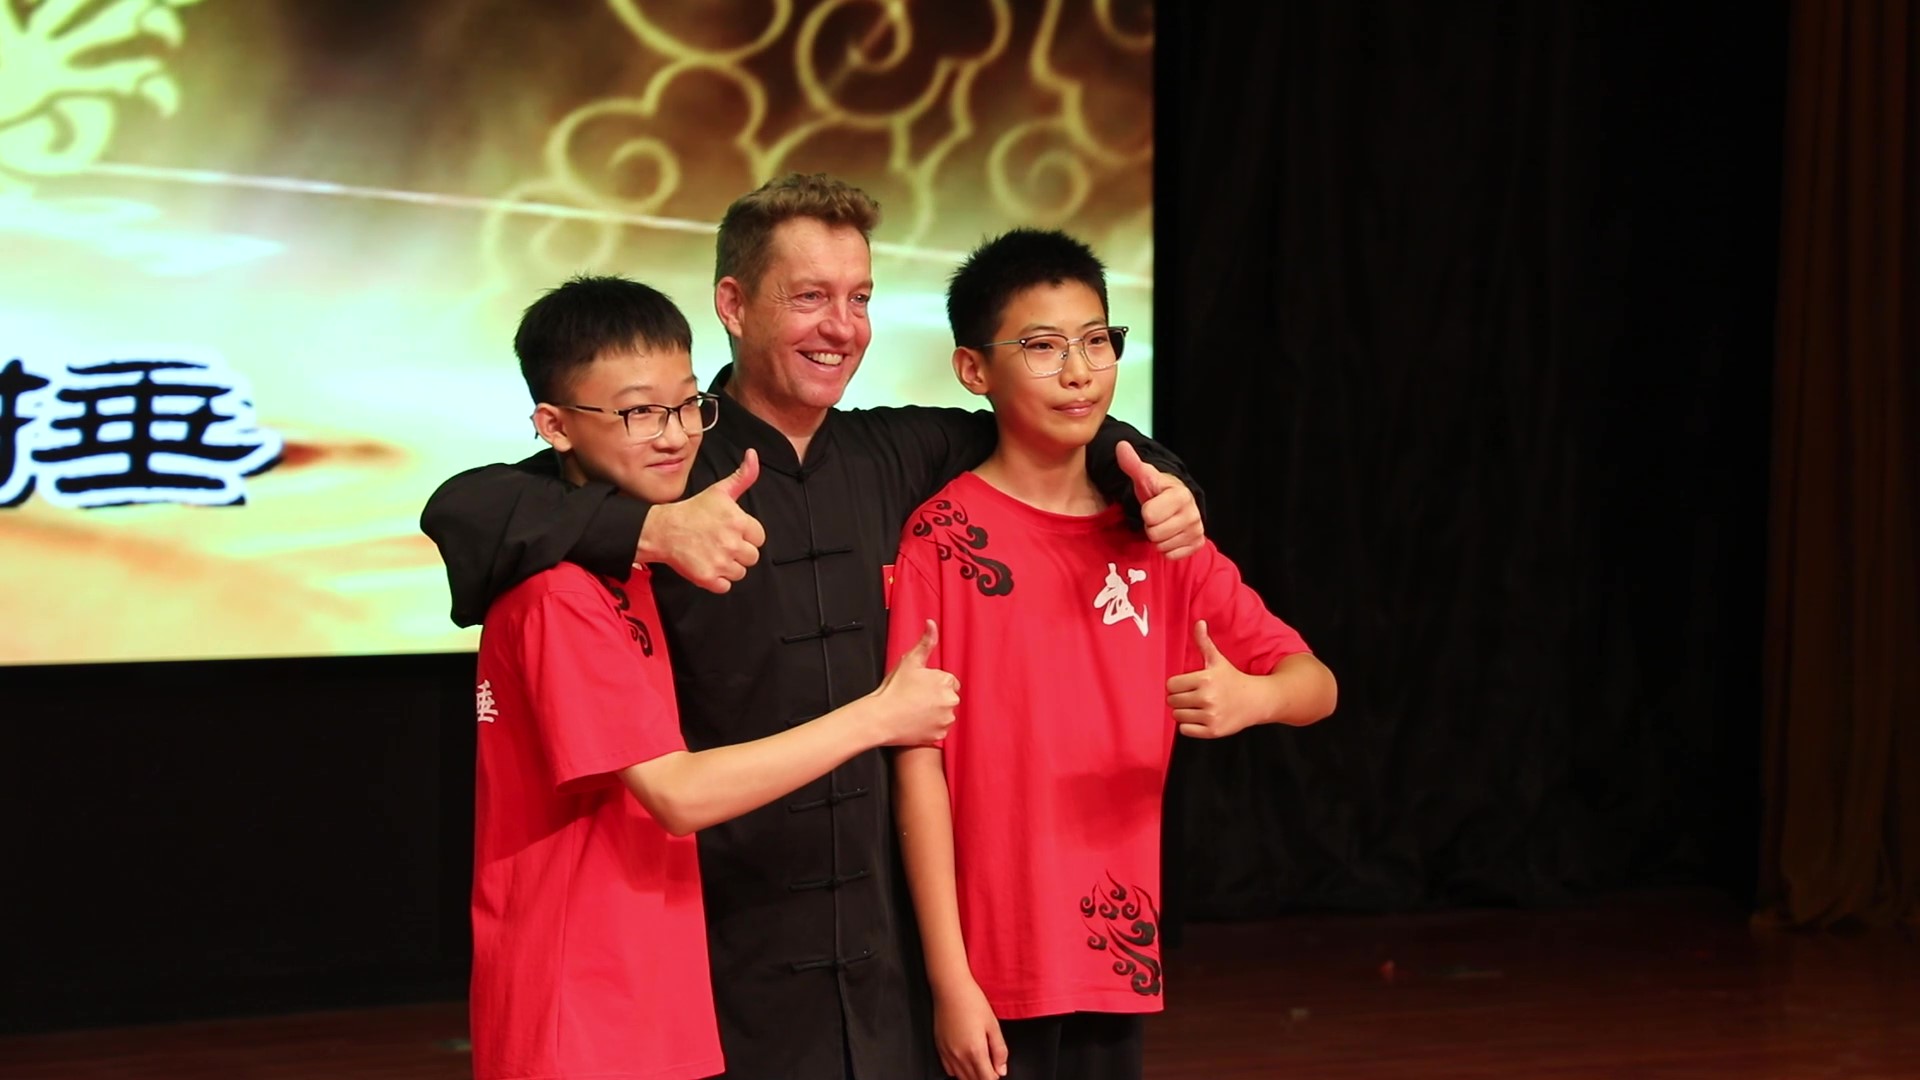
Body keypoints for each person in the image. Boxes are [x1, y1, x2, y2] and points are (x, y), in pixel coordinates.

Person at [422, 173, 1207, 1080]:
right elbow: (466, 509)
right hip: (712, 955)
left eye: (859, 298)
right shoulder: (662, 456)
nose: (842, 327)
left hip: (880, 954)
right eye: (809, 298)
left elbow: (1050, 425)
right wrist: (652, 530)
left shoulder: (899, 451)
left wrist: (1164, 480)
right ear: (732, 304)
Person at [467, 274, 964, 1080]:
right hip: (581, 1006)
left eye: (687, 405)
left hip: (650, 986)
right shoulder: (560, 592)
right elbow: (678, 795)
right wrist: (879, 716)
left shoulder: (626, 566)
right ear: (554, 426)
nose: (673, 436)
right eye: (639, 413)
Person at [886, 228, 1338, 1080]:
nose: (1080, 371)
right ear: (974, 371)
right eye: (1042, 347)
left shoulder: (1160, 529)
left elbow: (1316, 684)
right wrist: (949, 979)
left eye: (1097, 340)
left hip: (1114, 949)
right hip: (988, 960)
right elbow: (917, 763)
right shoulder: (942, 537)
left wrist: (1254, 699)